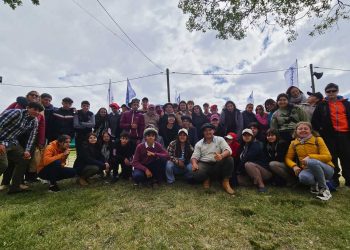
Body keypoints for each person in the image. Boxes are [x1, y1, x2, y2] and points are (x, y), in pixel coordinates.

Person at [312, 83, 350, 188]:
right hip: (329, 136)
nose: (331, 93)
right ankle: (334, 181)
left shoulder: (346, 104)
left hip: (345, 134)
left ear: (337, 91)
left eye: (333, 91)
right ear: (326, 93)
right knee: (331, 158)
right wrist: (321, 130)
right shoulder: (321, 105)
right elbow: (314, 120)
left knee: (347, 157)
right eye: (328, 91)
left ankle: (349, 180)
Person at [0, 102, 42, 194]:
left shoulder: (34, 120)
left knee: (24, 159)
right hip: (1, 141)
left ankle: (15, 187)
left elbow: (32, 137)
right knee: (3, 164)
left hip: (12, 142)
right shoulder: (16, 113)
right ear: (28, 108)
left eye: (39, 111)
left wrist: (27, 151)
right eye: (35, 109)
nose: (37, 112)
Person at [285, 122, 334, 200]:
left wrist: (310, 157)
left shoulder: (318, 139)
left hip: (326, 169)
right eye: (300, 129)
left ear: (310, 130)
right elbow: (288, 158)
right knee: (302, 177)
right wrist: (294, 166)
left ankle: (324, 189)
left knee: (311, 161)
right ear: (296, 131)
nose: (303, 130)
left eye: (306, 128)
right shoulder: (293, 143)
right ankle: (315, 185)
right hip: (307, 169)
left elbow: (328, 157)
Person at [191, 123, 235, 195]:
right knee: (194, 172)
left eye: (210, 130)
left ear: (213, 131)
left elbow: (228, 150)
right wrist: (194, 163)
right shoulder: (199, 143)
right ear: (203, 132)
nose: (208, 132)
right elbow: (194, 156)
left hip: (217, 163)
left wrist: (221, 155)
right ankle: (206, 179)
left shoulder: (220, 139)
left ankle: (225, 182)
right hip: (205, 164)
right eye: (205, 131)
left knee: (229, 159)